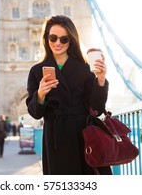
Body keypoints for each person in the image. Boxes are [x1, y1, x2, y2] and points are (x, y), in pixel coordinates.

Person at [25, 15, 111, 175]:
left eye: (64, 39)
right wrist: (41, 94)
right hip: (56, 138)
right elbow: (35, 113)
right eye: (53, 37)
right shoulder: (37, 71)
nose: (58, 43)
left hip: (83, 136)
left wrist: (100, 80)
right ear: (46, 38)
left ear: (71, 40)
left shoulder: (85, 69)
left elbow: (96, 110)